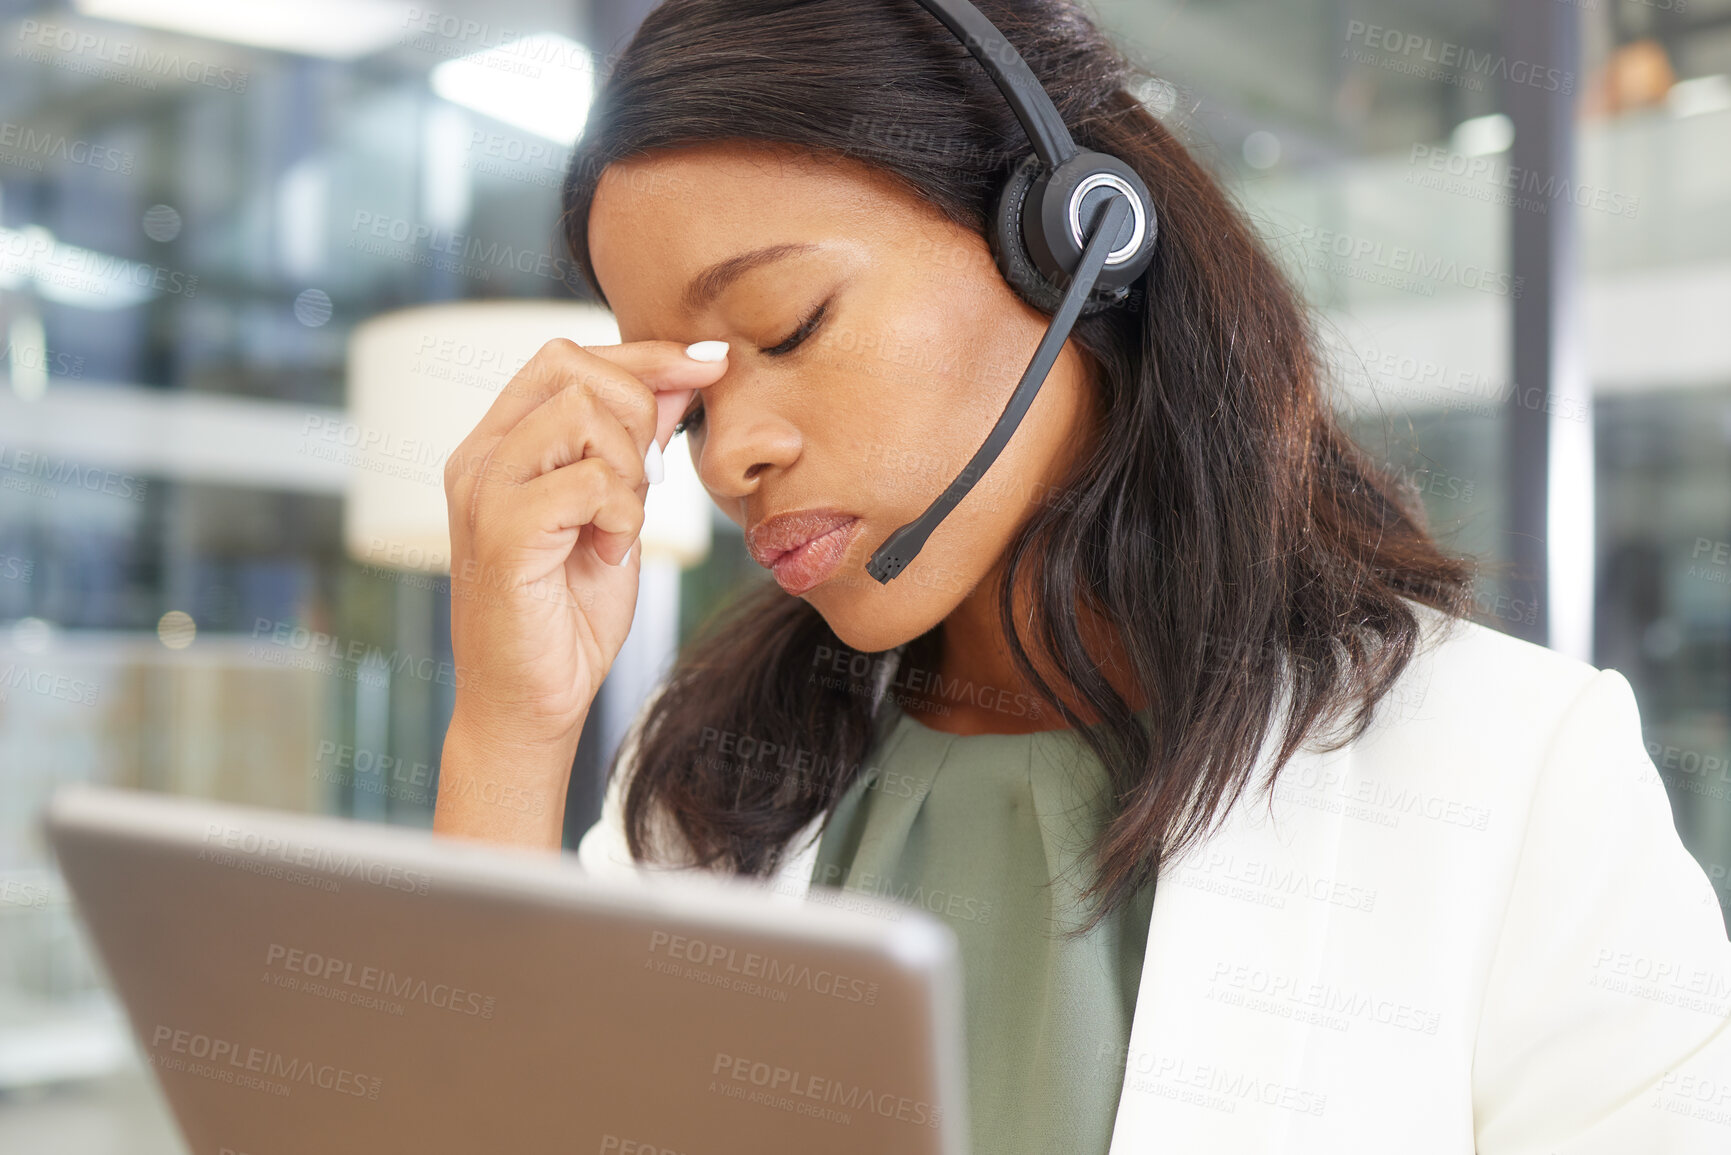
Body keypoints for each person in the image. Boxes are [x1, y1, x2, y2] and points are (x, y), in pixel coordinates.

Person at [431, 1, 1731, 1150]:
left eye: (788, 326)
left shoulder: (1510, 765)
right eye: (693, 400)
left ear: (1074, 241)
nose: (733, 457)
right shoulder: (709, 781)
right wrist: (510, 728)